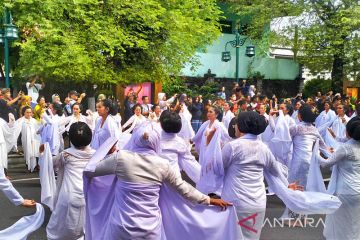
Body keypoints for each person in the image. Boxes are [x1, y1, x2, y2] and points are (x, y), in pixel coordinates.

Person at [84, 122, 232, 239]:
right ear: (156, 143)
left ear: (134, 140)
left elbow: (91, 171)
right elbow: (185, 189)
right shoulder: (163, 165)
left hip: (121, 227)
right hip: (150, 229)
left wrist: (106, 153)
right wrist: (209, 200)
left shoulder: (121, 158)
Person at [46, 122, 95, 240]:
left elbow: (49, 164)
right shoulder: (96, 154)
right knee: (87, 225)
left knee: (64, 227)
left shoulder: (66, 155)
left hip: (69, 195)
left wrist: (44, 153)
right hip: (90, 196)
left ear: (71, 138)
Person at [317, 116, 360, 240]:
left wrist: (315, 154)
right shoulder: (347, 147)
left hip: (345, 192)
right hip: (358, 192)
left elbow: (326, 163)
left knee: (341, 223)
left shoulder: (345, 148)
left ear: (349, 132)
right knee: (355, 223)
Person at [193, 106, 231, 195]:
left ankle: (215, 189)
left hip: (213, 151)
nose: (208, 114)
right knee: (203, 168)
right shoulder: (205, 124)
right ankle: (204, 188)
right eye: (208, 112)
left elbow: (227, 137)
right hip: (204, 150)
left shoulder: (219, 125)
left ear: (216, 114)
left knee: (212, 169)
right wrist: (192, 140)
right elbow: (198, 135)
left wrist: (222, 145)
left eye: (211, 112)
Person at [159, 110, 201, 183]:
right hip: (174, 179)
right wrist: (205, 177)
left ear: (161, 124)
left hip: (155, 177)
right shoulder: (179, 142)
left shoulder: (154, 138)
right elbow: (190, 161)